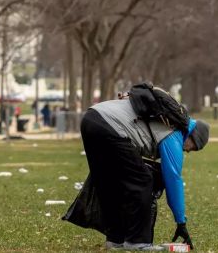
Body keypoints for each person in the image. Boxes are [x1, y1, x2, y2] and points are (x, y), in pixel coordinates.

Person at [75, 90, 210, 251]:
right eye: (192, 148)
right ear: (191, 136)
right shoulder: (174, 133)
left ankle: (115, 239)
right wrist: (181, 221)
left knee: (112, 180)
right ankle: (138, 242)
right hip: (109, 126)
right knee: (144, 180)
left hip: (91, 118)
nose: (187, 151)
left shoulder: (169, 119)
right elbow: (173, 179)